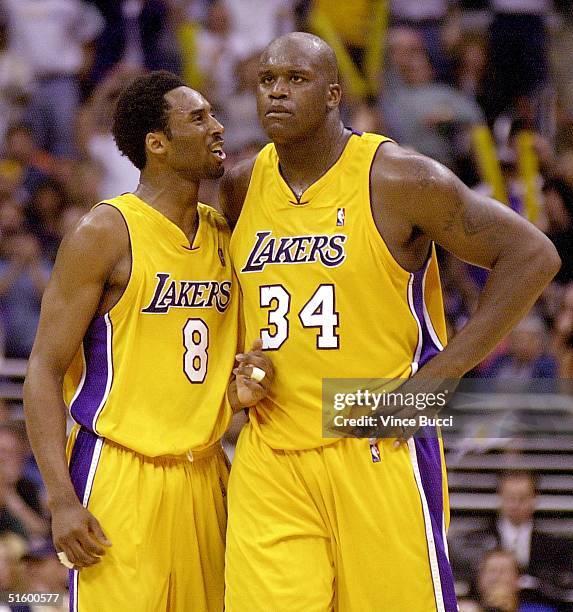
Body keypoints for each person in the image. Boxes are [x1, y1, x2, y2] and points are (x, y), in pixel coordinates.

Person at [221, 32, 560, 611]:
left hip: (372, 427)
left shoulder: (398, 178)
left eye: (295, 80)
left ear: (333, 96)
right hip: (271, 447)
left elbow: (533, 256)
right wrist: (244, 362)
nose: (276, 93)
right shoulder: (241, 184)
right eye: (267, 81)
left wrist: (442, 377)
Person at [23, 70, 273, 612]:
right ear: (156, 144)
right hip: (120, 472)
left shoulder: (226, 234)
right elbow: (42, 370)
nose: (218, 127)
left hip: (206, 472)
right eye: (198, 118)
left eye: (213, 114)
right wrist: (61, 500)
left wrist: (241, 383)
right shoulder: (105, 232)